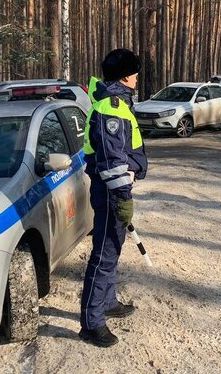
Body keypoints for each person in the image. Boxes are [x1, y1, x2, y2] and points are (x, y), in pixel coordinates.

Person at [79, 49, 148, 347]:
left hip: (114, 188)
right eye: (134, 73)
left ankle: (108, 302)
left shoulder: (116, 104)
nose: (136, 78)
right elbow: (111, 160)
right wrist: (122, 195)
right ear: (124, 76)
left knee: (113, 250)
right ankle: (91, 323)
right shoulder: (112, 107)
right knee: (103, 255)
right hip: (110, 190)